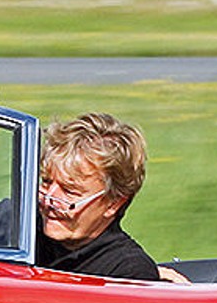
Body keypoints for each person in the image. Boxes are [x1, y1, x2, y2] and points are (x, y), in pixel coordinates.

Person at [34, 111, 162, 281]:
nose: (48, 199)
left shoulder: (127, 270)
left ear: (113, 204)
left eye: (70, 191)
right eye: (46, 182)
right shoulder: (17, 223)